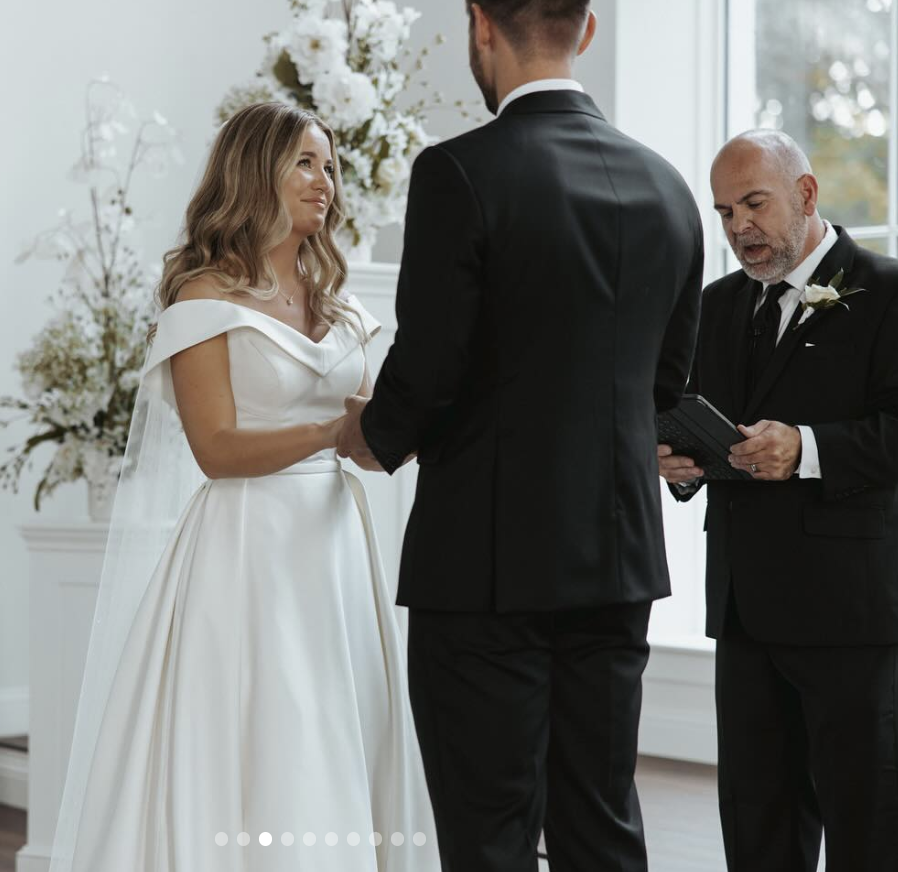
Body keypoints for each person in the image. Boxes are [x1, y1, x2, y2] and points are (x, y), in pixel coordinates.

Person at [338, 2, 705, 869]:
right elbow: (666, 385)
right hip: (616, 562)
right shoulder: (668, 187)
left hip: (484, 569)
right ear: (586, 31)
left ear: (478, 26)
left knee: (489, 832)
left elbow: (427, 370)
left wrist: (373, 434)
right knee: (601, 822)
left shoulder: (458, 173)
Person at [47, 102, 439, 872]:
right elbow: (216, 448)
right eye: (302, 162)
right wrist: (336, 433)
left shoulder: (342, 301)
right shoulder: (204, 299)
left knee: (336, 722)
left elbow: (371, 434)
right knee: (266, 735)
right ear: (252, 170)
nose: (323, 181)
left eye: (329, 165)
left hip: (332, 547)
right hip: (247, 550)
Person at [658, 130, 898, 872]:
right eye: (724, 212)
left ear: (807, 194)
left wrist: (808, 448)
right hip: (744, 611)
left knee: (866, 823)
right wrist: (679, 465)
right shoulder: (715, 306)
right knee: (757, 824)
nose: (738, 228)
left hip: (850, 613)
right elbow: (705, 429)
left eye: (754, 204)